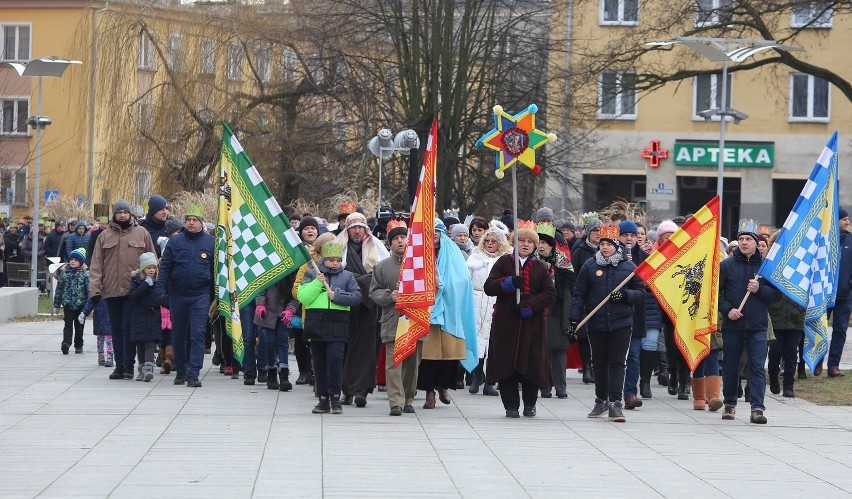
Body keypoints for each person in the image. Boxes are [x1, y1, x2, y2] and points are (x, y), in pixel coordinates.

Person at [570, 225, 646, 423]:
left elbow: (641, 293)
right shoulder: (590, 265)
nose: (604, 248)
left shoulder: (629, 268)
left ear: (616, 246)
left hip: (621, 323)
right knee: (599, 363)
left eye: (608, 244)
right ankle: (601, 400)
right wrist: (573, 319)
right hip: (596, 323)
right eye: (602, 244)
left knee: (617, 363)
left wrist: (625, 295)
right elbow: (579, 294)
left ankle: (615, 403)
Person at [484, 220, 556, 418]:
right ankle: (511, 405)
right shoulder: (504, 262)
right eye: (521, 240)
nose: (525, 244)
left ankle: (530, 404)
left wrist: (531, 305)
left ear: (534, 246)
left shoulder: (540, 266)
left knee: (531, 365)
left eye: (529, 242)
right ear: (515, 242)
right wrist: (507, 283)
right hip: (506, 323)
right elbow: (489, 286)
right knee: (506, 365)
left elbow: (550, 293)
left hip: (532, 323)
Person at [719, 220, 781, 424]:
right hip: (733, 325)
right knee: (730, 366)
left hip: (757, 326)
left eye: (748, 239)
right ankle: (729, 403)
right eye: (741, 239)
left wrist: (759, 289)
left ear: (757, 243)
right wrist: (728, 310)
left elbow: (776, 296)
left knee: (756, 367)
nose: (744, 243)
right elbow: (716, 294)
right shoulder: (726, 266)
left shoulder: (765, 268)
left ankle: (757, 408)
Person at [89, 200, 156, 380]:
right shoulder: (104, 236)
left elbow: (152, 260)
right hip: (111, 290)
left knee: (129, 329)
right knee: (116, 329)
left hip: (134, 291)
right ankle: (119, 366)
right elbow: (96, 264)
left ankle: (128, 365)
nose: (123, 215)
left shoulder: (142, 233)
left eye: (126, 212)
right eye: (119, 212)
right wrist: (94, 290)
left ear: (131, 214)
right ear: (114, 214)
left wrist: (152, 284)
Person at [333, 212, 389, 407]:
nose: (357, 231)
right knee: (345, 349)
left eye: (360, 227)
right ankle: (346, 390)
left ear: (366, 229)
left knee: (366, 350)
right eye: (353, 228)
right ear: (347, 230)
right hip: (345, 304)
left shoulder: (378, 247)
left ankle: (362, 391)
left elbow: (382, 275)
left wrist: (358, 281)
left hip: (369, 306)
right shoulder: (337, 247)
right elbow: (331, 272)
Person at [298, 242, 362, 414]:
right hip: (316, 323)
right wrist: (318, 283)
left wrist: (338, 296)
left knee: (335, 360)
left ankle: (335, 396)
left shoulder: (347, 276)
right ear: (324, 260)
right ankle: (322, 399)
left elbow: (357, 297)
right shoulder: (312, 274)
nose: (335, 263)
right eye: (331, 260)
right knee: (319, 363)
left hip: (338, 324)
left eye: (338, 260)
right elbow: (303, 297)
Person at [155, 204, 214, 388]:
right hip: (178, 295)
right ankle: (180, 370)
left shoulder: (210, 242)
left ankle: (194, 372)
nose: (191, 223)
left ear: (201, 223)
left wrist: (215, 295)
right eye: (188, 220)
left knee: (197, 334)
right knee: (178, 335)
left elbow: (217, 271)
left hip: (200, 295)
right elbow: (165, 267)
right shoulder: (175, 242)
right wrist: (161, 290)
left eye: (195, 220)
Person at [370, 220, 422, 416]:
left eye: (403, 237)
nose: (400, 241)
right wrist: (388, 296)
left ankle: (408, 398)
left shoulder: (420, 263)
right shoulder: (382, 267)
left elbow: (433, 288)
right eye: (396, 239)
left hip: (415, 318)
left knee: (412, 363)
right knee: (393, 362)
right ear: (390, 243)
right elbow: (373, 291)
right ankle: (395, 402)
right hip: (392, 319)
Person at [617, 220, 659, 410]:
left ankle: (630, 394)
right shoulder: (611, 256)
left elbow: (649, 287)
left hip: (636, 313)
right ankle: (613, 393)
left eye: (632, 235)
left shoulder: (645, 259)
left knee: (634, 354)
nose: (629, 238)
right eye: (625, 235)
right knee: (616, 356)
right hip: (615, 314)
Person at [466, 228, 512, 396]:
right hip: (476, 300)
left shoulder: (506, 260)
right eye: (487, 241)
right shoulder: (474, 258)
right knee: (477, 341)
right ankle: (477, 375)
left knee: (494, 342)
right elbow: (466, 281)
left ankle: (491, 381)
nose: (490, 244)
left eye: (494, 241)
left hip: (496, 301)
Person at [535, 222, 575, 399]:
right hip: (537, 310)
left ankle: (560, 386)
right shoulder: (532, 262)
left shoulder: (563, 263)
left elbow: (568, 291)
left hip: (557, 311)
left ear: (552, 245)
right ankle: (544, 386)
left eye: (545, 243)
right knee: (540, 352)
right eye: (539, 242)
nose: (541, 246)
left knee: (558, 350)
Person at [254, 269, 298, 391]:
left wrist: (290, 310)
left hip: (284, 314)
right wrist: (260, 304)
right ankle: (271, 372)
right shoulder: (269, 269)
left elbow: (295, 295)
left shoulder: (293, 273)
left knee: (283, 340)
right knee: (269, 342)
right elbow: (260, 288)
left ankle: (284, 375)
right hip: (268, 312)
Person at [571, 218, 602, 384]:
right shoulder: (580, 250)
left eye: (600, 231)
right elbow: (574, 274)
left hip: (601, 298)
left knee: (598, 334)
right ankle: (587, 368)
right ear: (588, 233)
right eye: (595, 231)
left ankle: (597, 368)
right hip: (585, 297)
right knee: (583, 335)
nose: (598, 234)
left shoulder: (607, 250)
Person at [825, 207, 852, 378]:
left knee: (840, 330)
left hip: (845, 295)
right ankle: (815, 361)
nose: (847, 222)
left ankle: (833, 365)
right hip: (824, 295)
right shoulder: (824, 241)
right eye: (844, 219)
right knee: (817, 327)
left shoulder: (851, 241)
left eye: (848, 219)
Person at [128, 252, 161, 382]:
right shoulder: (137, 281)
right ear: (143, 269)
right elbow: (133, 296)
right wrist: (145, 285)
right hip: (139, 316)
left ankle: (148, 368)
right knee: (140, 343)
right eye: (148, 268)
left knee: (150, 343)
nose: (151, 270)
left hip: (153, 316)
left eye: (153, 267)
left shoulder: (158, 281)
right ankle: (141, 368)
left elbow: (160, 297)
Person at [53, 248, 89, 355]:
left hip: (80, 305)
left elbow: (88, 290)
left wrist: (89, 306)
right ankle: (66, 343)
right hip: (68, 304)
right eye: (71, 259)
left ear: (81, 262)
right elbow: (59, 290)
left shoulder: (84, 275)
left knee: (79, 326)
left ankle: (78, 344)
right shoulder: (64, 274)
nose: (72, 261)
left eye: (75, 260)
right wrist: (57, 304)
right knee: (68, 324)